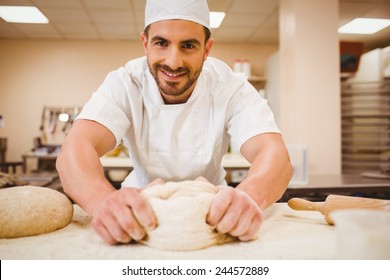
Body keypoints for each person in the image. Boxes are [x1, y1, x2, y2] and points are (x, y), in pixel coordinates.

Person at [56, 0, 293, 245]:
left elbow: (274, 155)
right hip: (137, 214)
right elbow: (75, 149)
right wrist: (103, 202)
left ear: (207, 49)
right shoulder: (125, 83)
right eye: (161, 43)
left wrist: (250, 196)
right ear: (145, 43)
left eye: (188, 45)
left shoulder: (230, 87)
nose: (173, 62)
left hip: (214, 215)